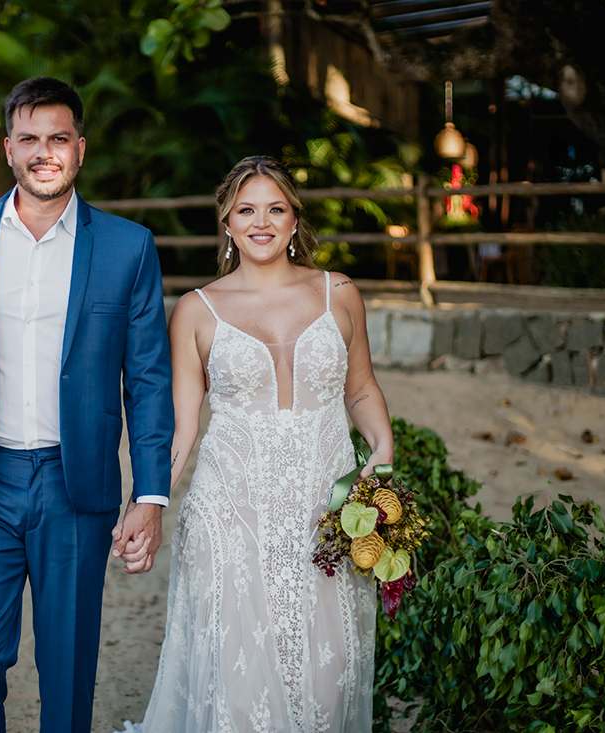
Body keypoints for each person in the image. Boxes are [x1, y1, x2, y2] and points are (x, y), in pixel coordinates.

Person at [0, 77, 175, 733]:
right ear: (8, 149)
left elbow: (150, 380)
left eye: (57, 138)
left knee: (68, 665)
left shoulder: (127, 246)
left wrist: (151, 495)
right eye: (29, 139)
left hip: (76, 484)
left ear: (79, 147)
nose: (43, 152)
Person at [115, 155, 393, 732]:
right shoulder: (196, 310)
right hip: (231, 517)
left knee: (329, 676)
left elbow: (360, 387)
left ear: (295, 221)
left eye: (275, 209)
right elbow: (181, 428)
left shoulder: (339, 293)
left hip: (329, 514)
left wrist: (382, 461)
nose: (261, 221)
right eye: (246, 210)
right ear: (227, 222)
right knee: (241, 686)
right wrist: (149, 500)